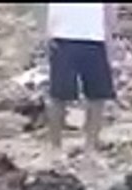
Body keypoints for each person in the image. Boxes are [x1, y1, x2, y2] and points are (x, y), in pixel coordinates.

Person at [41, 3, 119, 152]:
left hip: (95, 37)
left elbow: (109, 8)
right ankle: (55, 146)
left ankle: (91, 144)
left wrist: (110, 34)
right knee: (59, 94)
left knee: (98, 94)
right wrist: (48, 32)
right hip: (62, 36)